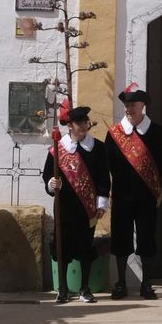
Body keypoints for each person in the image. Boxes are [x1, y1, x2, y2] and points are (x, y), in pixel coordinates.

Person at [104, 83, 162, 300]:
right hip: (122, 194)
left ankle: (146, 282)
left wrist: (150, 182)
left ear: (143, 105)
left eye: (132, 105)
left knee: (146, 238)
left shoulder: (157, 132)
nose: (128, 109)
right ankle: (121, 282)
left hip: (146, 195)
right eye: (126, 105)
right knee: (121, 238)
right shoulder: (114, 134)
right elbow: (110, 164)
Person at [42, 103, 110, 304]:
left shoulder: (97, 148)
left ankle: (85, 287)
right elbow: (47, 175)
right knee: (63, 246)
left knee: (85, 246)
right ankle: (62, 288)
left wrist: (101, 203)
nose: (83, 126)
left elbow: (103, 178)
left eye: (85, 122)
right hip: (65, 207)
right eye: (79, 123)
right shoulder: (58, 149)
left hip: (87, 208)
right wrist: (51, 183)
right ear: (70, 125)